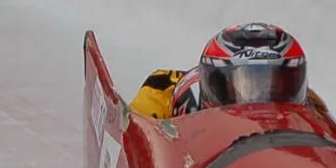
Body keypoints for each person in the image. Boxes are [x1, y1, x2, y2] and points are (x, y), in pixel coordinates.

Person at [130, 23, 311, 119]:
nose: (260, 98)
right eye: (249, 84)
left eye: (271, 87)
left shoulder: (312, 109)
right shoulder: (161, 98)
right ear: (219, 85)